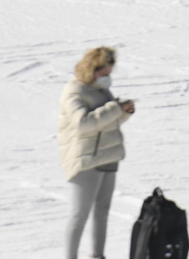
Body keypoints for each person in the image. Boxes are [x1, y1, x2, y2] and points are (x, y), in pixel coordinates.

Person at [58, 46, 134, 259]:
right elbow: (83, 124)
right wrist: (114, 109)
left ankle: (97, 255)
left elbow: (105, 121)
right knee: (79, 214)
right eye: (105, 72)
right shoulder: (74, 90)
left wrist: (123, 113)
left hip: (107, 156)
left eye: (110, 73)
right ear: (93, 68)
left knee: (102, 211)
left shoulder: (101, 90)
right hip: (86, 159)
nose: (108, 77)